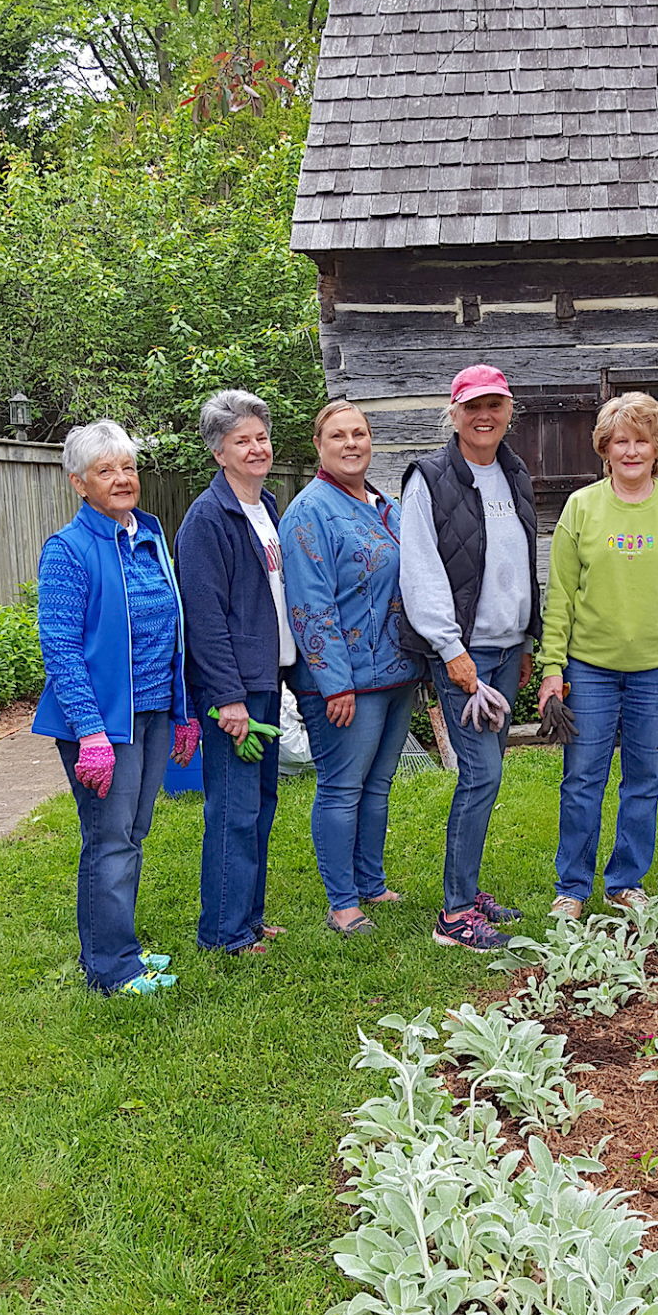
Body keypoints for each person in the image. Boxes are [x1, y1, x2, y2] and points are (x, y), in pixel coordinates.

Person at [32, 420, 200, 996]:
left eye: (127, 467)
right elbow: (60, 647)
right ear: (80, 483)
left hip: (152, 712)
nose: (121, 478)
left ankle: (112, 951)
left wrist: (184, 710)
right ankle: (112, 969)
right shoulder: (68, 550)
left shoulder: (149, 537)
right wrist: (92, 733)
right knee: (110, 839)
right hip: (103, 724)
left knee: (131, 832)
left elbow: (171, 633)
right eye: (105, 471)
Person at [538, 392, 658, 919]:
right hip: (590, 668)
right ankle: (571, 886)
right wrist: (553, 668)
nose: (632, 450)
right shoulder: (582, 507)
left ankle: (625, 881)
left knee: (644, 780)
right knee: (582, 779)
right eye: (622, 440)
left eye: (642, 440)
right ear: (605, 448)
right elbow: (562, 596)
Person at [399, 364, 540, 951]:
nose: (485, 416)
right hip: (466, 654)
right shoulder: (428, 479)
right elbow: (421, 570)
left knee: (488, 776)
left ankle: (469, 889)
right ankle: (454, 916)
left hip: (507, 650)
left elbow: (520, 562)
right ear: (453, 413)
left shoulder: (514, 472)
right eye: (473, 406)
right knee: (481, 776)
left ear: (509, 412)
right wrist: (451, 651)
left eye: (496, 405)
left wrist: (527, 638)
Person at [280, 401, 421, 936]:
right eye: (337, 435)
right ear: (319, 446)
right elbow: (310, 604)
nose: (351, 443)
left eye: (359, 433)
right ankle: (343, 903)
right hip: (344, 684)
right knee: (342, 788)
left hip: (396, 673)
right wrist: (334, 682)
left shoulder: (383, 504)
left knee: (377, 785)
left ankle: (371, 882)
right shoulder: (310, 512)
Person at [174, 390, 295, 954]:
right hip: (235, 691)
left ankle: (248, 917)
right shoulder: (207, 519)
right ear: (218, 452)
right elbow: (205, 618)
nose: (256, 448)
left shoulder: (266, 508)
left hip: (265, 680)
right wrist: (227, 698)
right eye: (241, 441)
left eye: (261, 437)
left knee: (261, 802)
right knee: (234, 809)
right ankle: (223, 933)